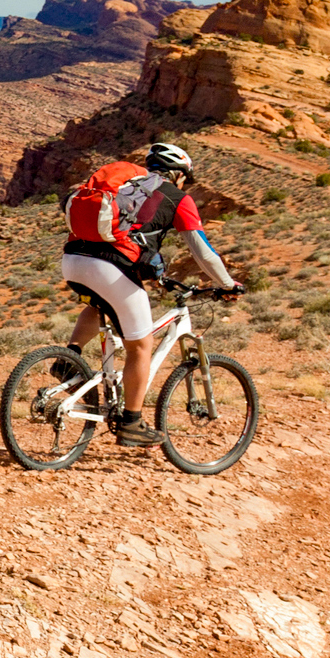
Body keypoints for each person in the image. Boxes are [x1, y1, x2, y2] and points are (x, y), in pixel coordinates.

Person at [59, 142, 240, 448]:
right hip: (110, 267)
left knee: (101, 305)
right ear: (179, 175)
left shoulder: (127, 184)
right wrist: (227, 284)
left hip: (73, 259)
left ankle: (69, 358)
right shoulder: (178, 197)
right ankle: (131, 423)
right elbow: (203, 253)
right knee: (141, 346)